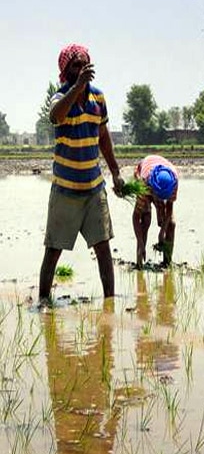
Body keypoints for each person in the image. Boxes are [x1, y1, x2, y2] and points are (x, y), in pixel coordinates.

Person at [38, 44, 124, 301]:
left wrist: (116, 173)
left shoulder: (98, 98)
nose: (82, 69)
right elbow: (55, 116)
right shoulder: (60, 97)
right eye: (76, 65)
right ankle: (44, 301)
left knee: (103, 248)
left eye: (85, 64)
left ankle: (110, 302)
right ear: (66, 70)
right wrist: (76, 89)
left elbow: (104, 137)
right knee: (53, 250)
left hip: (93, 189)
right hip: (65, 189)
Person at [133, 155, 179, 267]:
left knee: (170, 224)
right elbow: (135, 218)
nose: (160, 200)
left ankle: (167, 263)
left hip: (160, 178)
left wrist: (162, 232)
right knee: (146, 219)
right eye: (158, 197)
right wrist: (140, 242)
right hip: (144, 174)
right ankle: (139, 261)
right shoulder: (143, 185)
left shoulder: (173, 183)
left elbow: (169, 209)